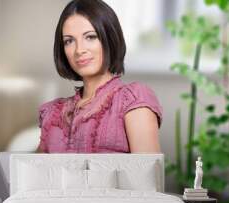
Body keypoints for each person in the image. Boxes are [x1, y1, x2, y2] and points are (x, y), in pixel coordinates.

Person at [36, 0, 163, 153]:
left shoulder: (132, 99)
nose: (79, 50)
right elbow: (30, 172)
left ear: (109, 37)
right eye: (69, 41)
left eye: (90, 37)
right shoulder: (52, 113)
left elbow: (147, 174)